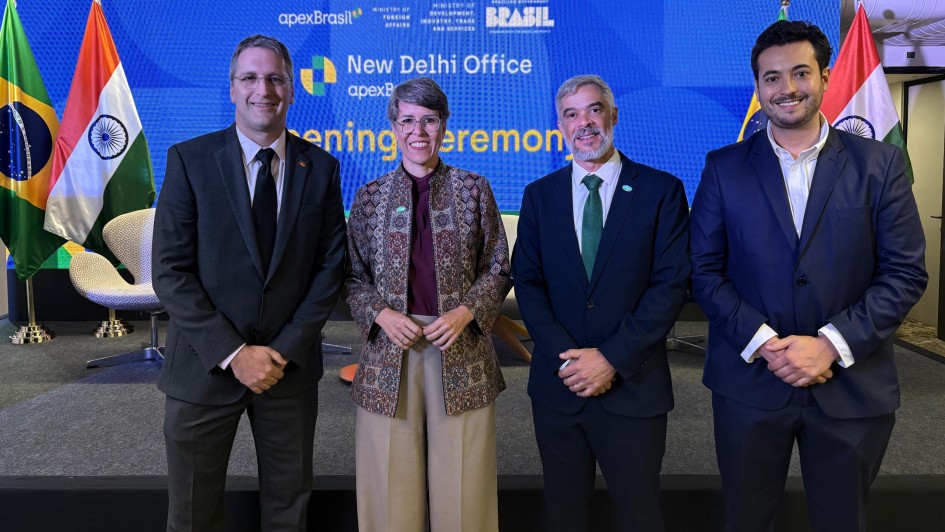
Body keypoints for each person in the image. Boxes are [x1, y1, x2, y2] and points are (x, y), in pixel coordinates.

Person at [689, 20, 927, 531]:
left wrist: (831, 344)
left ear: (824, 76)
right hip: (751, 382)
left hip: (851, 384)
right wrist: (767, 344)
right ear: (758, 88)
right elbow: (704, 271)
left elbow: (905, 273)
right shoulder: (723, 167)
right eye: (771, 78)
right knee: (747, 519)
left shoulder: (879, 164)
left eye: (800, 72)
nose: (787, 88)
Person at [152, 34, 346, 532]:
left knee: (288, 512)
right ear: (233, 89)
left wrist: (281, 350)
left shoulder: (320, 167)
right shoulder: (189, 160)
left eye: (276, 78)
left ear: (292, 89)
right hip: (204, 369)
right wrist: (236, 353)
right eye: (251, 78)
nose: (264, 89)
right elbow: (170, 272)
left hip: (288, 372)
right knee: (193, 514)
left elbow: (330, 269)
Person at [511, 74, 690, 532]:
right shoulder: (539, 195)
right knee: (564, 514)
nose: (583, 123)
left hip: (633, 387)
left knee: (639, 513)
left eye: (593, 110)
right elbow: (528, 284)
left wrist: (611, 358)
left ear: (613, 115)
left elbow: (669, 285)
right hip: (560, 386)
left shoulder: (660, 191)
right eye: (571, 114)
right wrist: (568, 358)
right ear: (560, 126)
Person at [343, 77, 511, 532]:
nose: (419, 131)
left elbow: (498, 266)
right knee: (390, 487)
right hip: (387, 354)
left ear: (444, 126)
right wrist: (379, 313)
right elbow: (352, 275)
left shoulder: (475, 189)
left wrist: (467, 311)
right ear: (394, 127)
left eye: (430, 120)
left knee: (465, 489)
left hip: (461, 350)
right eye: (408, 120)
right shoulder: (370, 197)